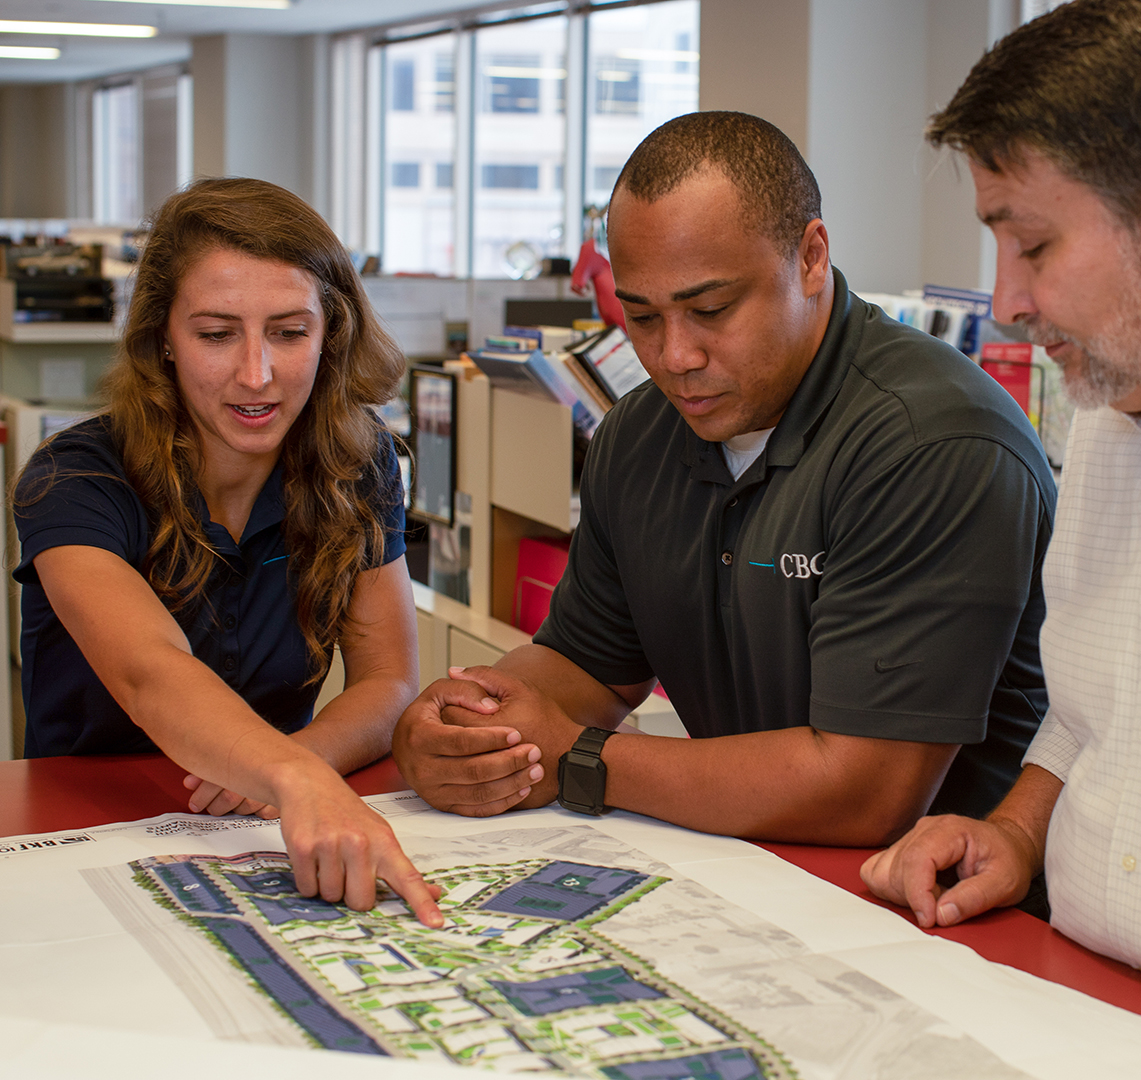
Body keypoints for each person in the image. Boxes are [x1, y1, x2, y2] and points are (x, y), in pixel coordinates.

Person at [392, 111, 1056, 846]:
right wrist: (473, 725)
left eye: (710, 309)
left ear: (810, 257)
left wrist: (579, 758)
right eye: (640, 318)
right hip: (756, 869)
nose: (674, 356)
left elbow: (865, 790)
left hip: (954, 910)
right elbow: (586, 666)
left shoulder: (930, 442)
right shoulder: (639, 432)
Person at [14, 177, 441, 925]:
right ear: (162, 341)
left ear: (330, 332)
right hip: (88, 828)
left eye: (289, 331)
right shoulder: (75, 477)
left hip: (264, 825)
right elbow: (151, 672)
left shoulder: (359, 459)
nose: (257, 374)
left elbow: (388, 683)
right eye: (216, 335)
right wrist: (290, 775)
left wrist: (298, 764)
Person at [859, 0, 1141, 967]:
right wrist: (1018, 834)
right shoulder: (1105, 418)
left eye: (1033, 244)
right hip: (1073, 989)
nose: (1008, 302)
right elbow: (1090, 709)